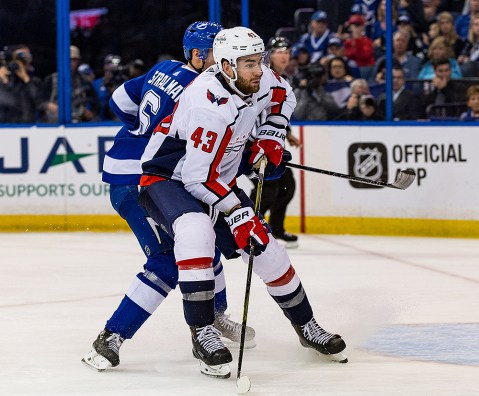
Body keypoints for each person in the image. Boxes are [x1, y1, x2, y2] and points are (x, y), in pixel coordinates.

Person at [138, 26, 348, 379]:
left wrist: (270, 135)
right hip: (169, 177)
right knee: (196, 231)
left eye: (259, 60)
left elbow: (283, 93)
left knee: (265, 246)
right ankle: (201, 332)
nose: (258, 70)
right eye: (248, 63)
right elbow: (196, 178)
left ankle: (307, 327)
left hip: (214, 177)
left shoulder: (258, 77)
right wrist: (238, 212)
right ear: (226, 66)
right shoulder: (207, 104)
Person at [82, 21, 255, 373]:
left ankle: (213, 316)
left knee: (201, 238)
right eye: (217, 54)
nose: (226, 61)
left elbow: (119, 102)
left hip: (150, 171)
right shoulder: (204, 89)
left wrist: (142, 131)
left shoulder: (163, 68)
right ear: (196, 55)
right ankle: (111, 336)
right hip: (142, 179)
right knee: (166, 261)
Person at [249, 36, 301, 248]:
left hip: (267, 143)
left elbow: (273, 112)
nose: (285, 55)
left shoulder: (281, 79)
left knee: (287, 185)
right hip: (250, 144)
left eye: (287, 52)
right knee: (268, 188)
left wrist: (286, 132)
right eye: (280, 51)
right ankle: (246, 227)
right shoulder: (258, 76)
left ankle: (276, 229)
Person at [42, 46, 99, 123]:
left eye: (74, 60)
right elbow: (40, 101)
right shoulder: (51, 80)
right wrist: (48, 105)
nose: (70, 63)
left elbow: (95, 102)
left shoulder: (84, 81)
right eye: (68, 59)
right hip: (53, 123)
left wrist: (90, 113)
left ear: (78, 61)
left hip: (79, 121)